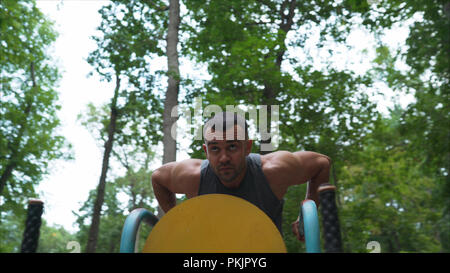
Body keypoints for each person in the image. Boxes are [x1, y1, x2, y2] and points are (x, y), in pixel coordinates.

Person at [151, 112, 331, 241]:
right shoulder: (193, 177)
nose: (223, 158)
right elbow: (158, 177)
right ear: (206, 151)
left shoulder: (273, 171)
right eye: (215, 149)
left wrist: (307, 213)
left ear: (247, 147)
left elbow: (322, 163)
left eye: (232, 147)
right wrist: (178, 219)